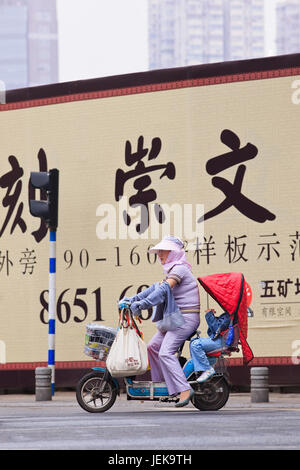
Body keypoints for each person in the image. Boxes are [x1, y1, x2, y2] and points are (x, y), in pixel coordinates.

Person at [120, 235, 200, 407]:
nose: (160, 255)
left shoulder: (180, 269)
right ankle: (164, 385)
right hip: (174, 320)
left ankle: (184, 389)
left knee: (165, 352)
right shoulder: (171, 271)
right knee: (153, 347)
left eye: (163, 251)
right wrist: (131, 300)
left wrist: (142, 305)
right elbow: (153, 289)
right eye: (159, 252)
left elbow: (163, 290)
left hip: (185, 319)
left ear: (174, 252)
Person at [190, 308, 231, 382]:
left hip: (221, 341)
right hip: (221, 340)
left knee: (195, 344)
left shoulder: (229, 316)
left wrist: (209, 315)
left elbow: (216, 329)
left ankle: (207, 369)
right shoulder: (230, 315)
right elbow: (217, 327)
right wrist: (212, 315)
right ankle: (205, 368)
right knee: (194, 341)